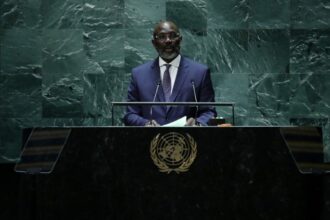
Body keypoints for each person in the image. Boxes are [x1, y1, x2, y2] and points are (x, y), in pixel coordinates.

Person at [124, 20, 217, 126]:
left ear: (180, 40)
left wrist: (198, 123)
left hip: (188, 140)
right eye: (162, 37)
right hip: (150, 140)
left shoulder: (200, 73)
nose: (168, 41)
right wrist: (145, 124)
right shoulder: (139, 74)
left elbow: (209, 112)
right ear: (154, 43)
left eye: (173, 36)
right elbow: (130, 114)